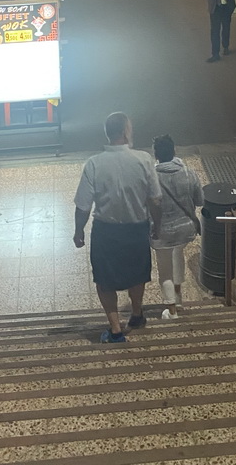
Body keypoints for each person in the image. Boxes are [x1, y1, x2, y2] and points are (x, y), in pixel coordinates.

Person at [74, 113, 163, 343]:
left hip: (106, 231)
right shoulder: (143, 160)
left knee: (105, 281)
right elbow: (155, 199)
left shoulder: (94, 163)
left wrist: (78, 231)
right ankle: (136, 314)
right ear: (125, 131)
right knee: (137, 275)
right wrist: (157, 225)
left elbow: (83, 205)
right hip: (136, 229)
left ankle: (115, 329)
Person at [151, 135, 203, 319]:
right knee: (178, 256)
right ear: (174, 151)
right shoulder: (189, 173)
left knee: (164, 269)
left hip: (161, 231)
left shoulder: (151, 177)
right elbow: (199, 200)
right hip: (185, 229)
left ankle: (172, 310)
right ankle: (179, 298)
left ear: (155, 154)